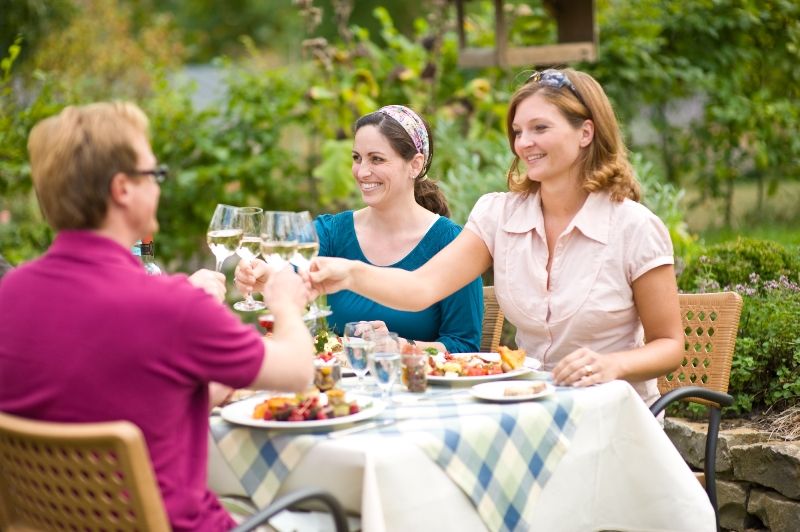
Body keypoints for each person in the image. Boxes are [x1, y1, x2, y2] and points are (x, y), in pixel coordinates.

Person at [0, 102, 315, 531]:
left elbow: (128, 398)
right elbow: (297, 371)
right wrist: (286, 304)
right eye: (155, 174)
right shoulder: (172, 305)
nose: (159, 187)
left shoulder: (10, 295)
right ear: (122, 189)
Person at [306, 69, 683, 405]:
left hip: (613, 410)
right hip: (529, 405)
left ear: (586, 132)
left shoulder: (634, 228)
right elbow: (421, 288)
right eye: (518, 132)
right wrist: (350, 273)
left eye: (540, 128)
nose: (524, 143)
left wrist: (612, 365)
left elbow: (669, 345)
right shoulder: (498, 216)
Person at [236, 105, 483, 353]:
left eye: (377, 159)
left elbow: (464, 346)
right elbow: (288, 276)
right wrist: (264, 276)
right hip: (335, 378)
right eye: (357, 158)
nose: (362, 172)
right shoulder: (331, 231)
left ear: (415, 165)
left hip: (416, 378)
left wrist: (401, 347)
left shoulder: (452, 243)